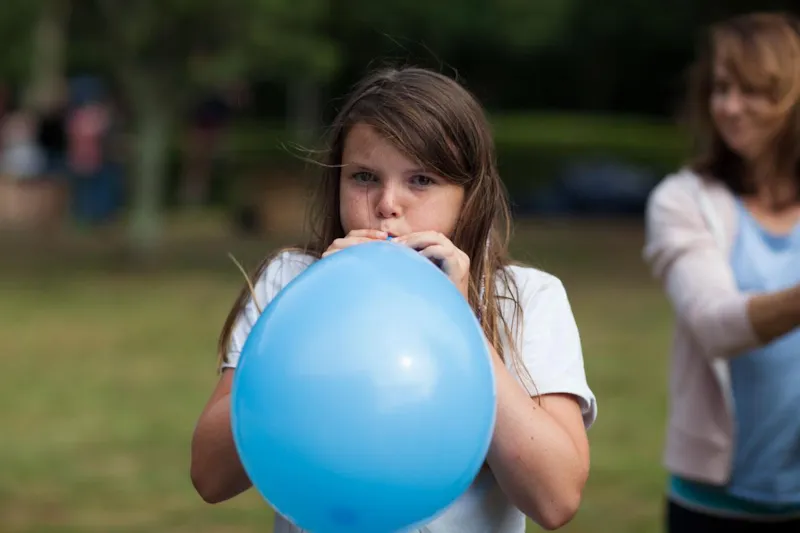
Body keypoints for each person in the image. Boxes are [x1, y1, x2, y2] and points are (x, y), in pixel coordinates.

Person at [190, 67, 597, 532]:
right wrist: (317, 309)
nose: (388, 203)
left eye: (421, 180)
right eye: (364, 177)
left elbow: (556, 499)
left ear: (470, 194)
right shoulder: (289, 282)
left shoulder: (527, 297)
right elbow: (210, 475)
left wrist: (461, 319)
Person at [643, 12, 800, 533]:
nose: (730, 107)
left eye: (752, 90)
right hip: (714, 508)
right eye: (721, 88)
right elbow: (715, 325)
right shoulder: (681, 199)